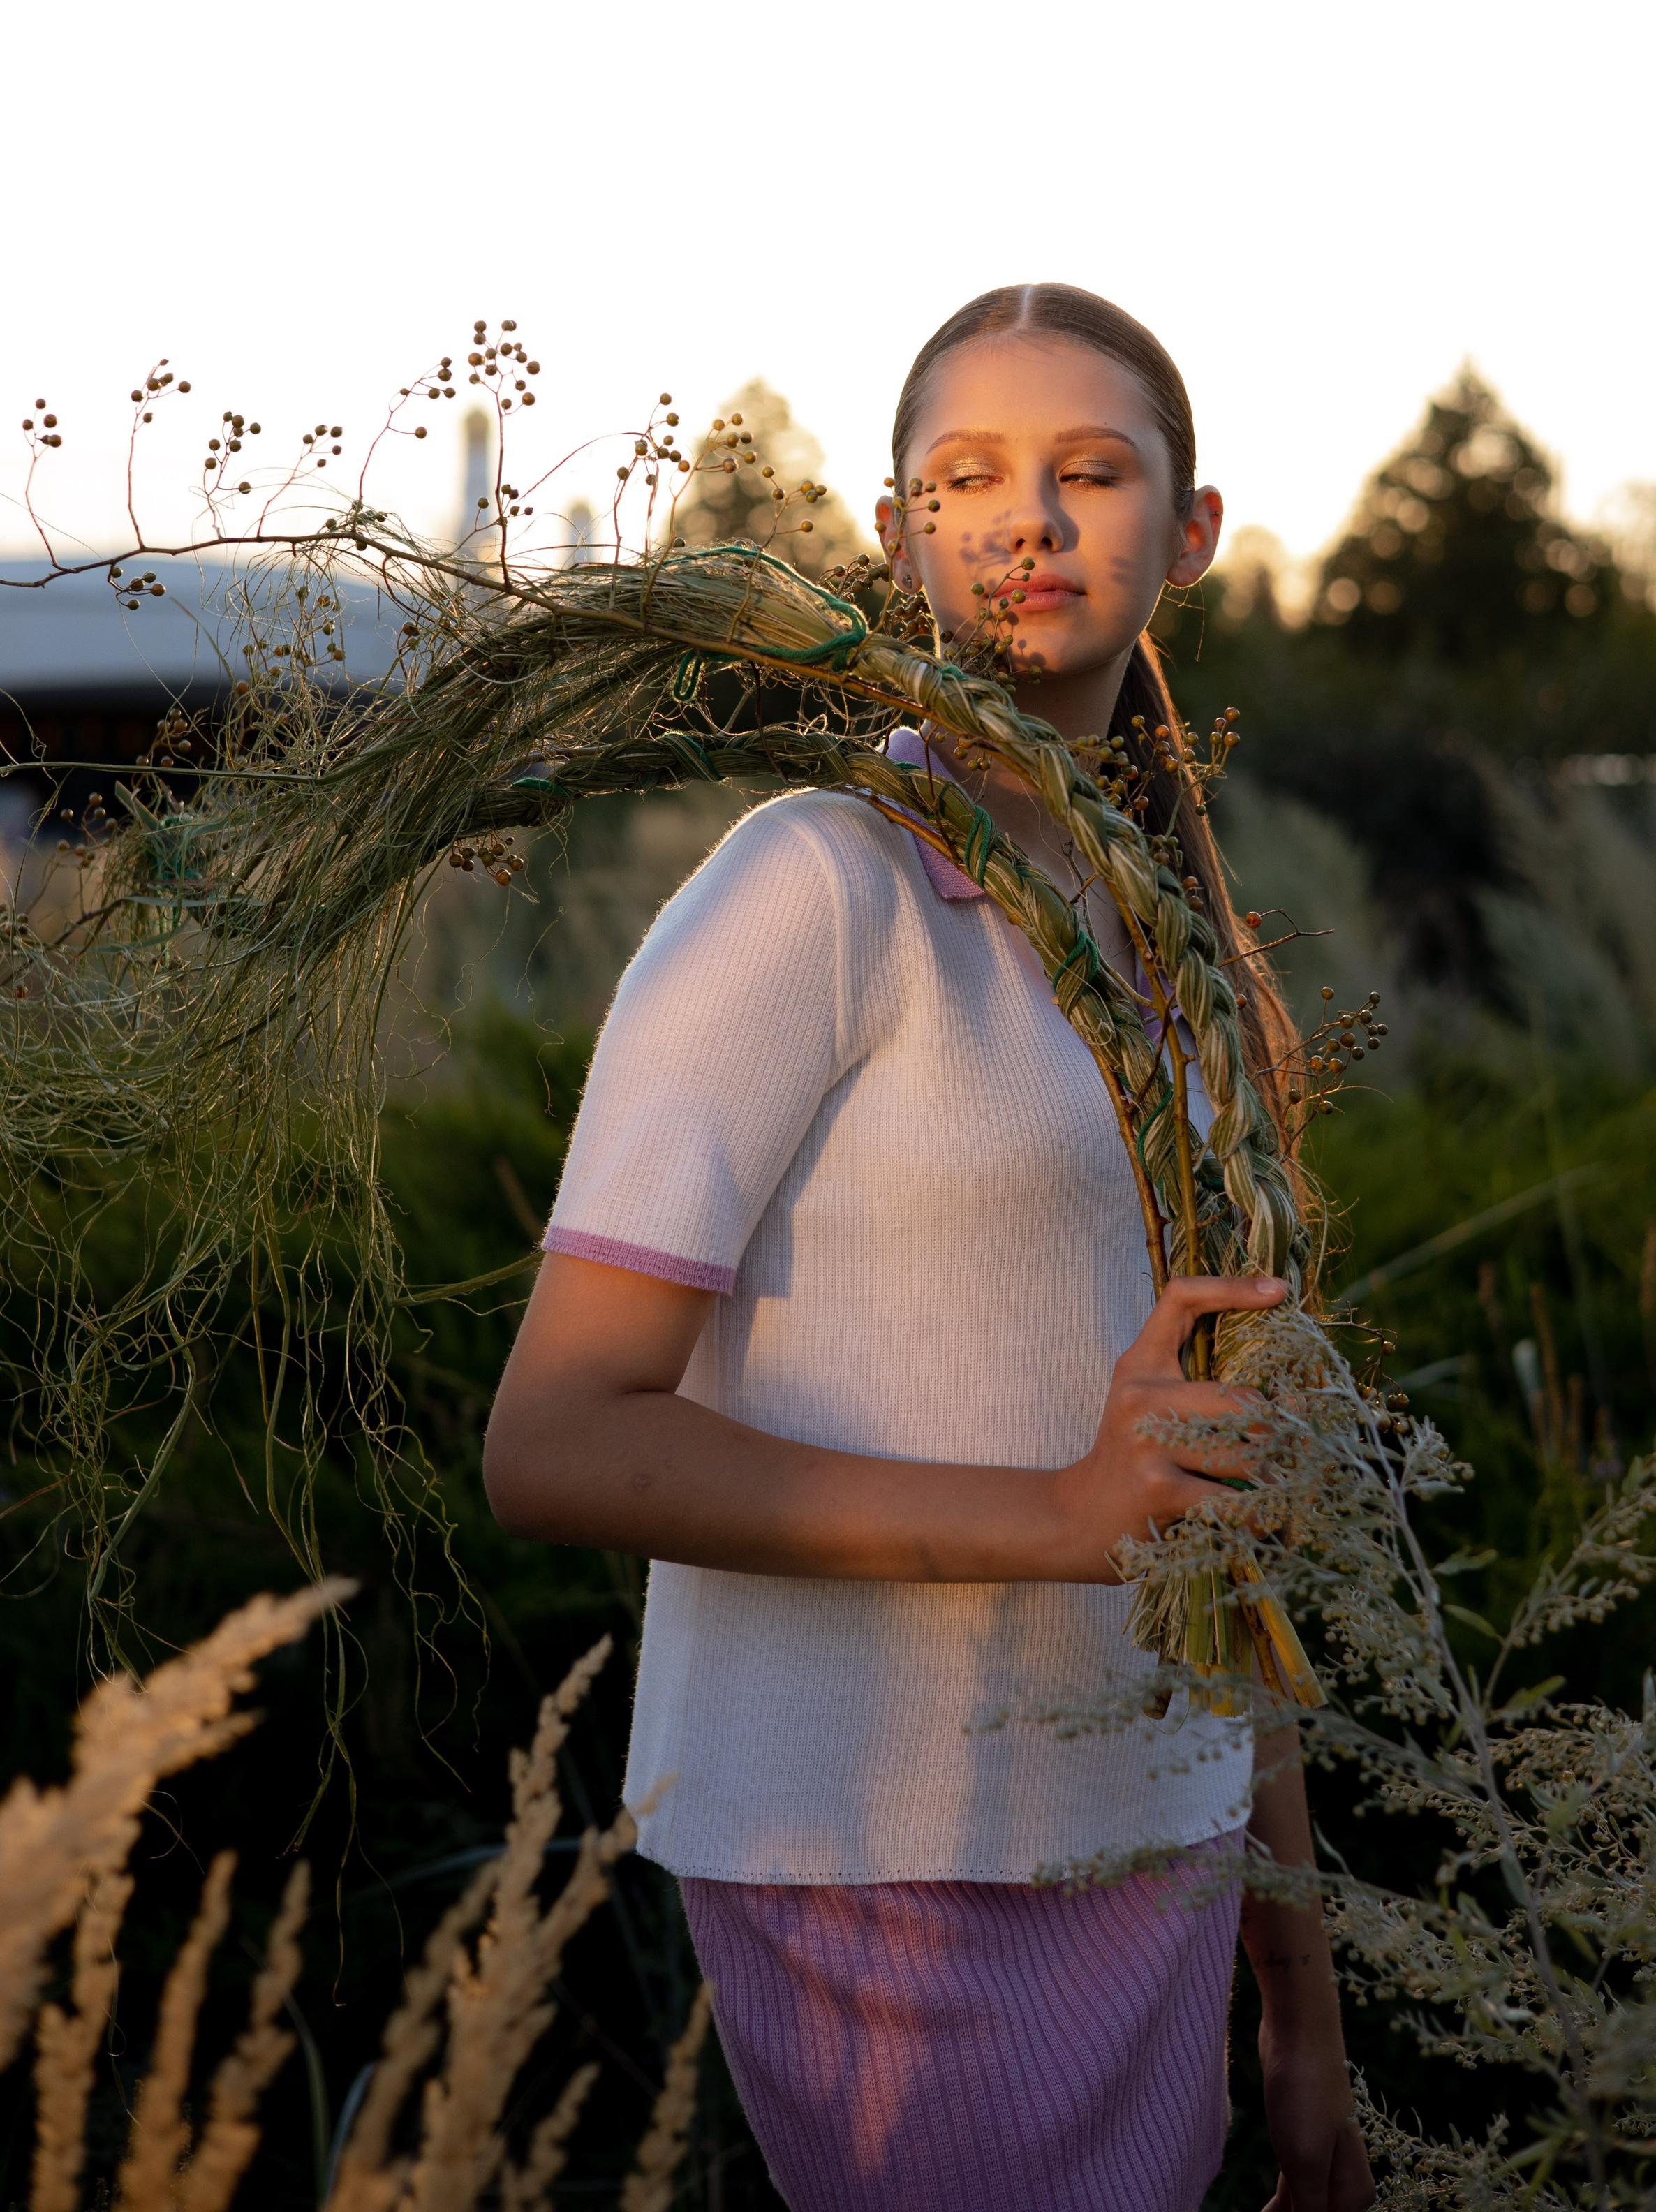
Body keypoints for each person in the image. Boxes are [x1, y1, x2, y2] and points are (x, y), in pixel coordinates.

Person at [483, 283, 1375, 2212]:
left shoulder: (1182, 957)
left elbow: (1217, 1493)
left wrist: (1304, 2007)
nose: (1026, 521)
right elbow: (554, 1438)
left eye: (1089, 470)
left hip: (1163, 1825)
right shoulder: (811, 887)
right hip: (883, 1846)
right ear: (894, 539)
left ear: (1191, 530)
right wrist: (1058, 1513)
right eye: (964, 477)